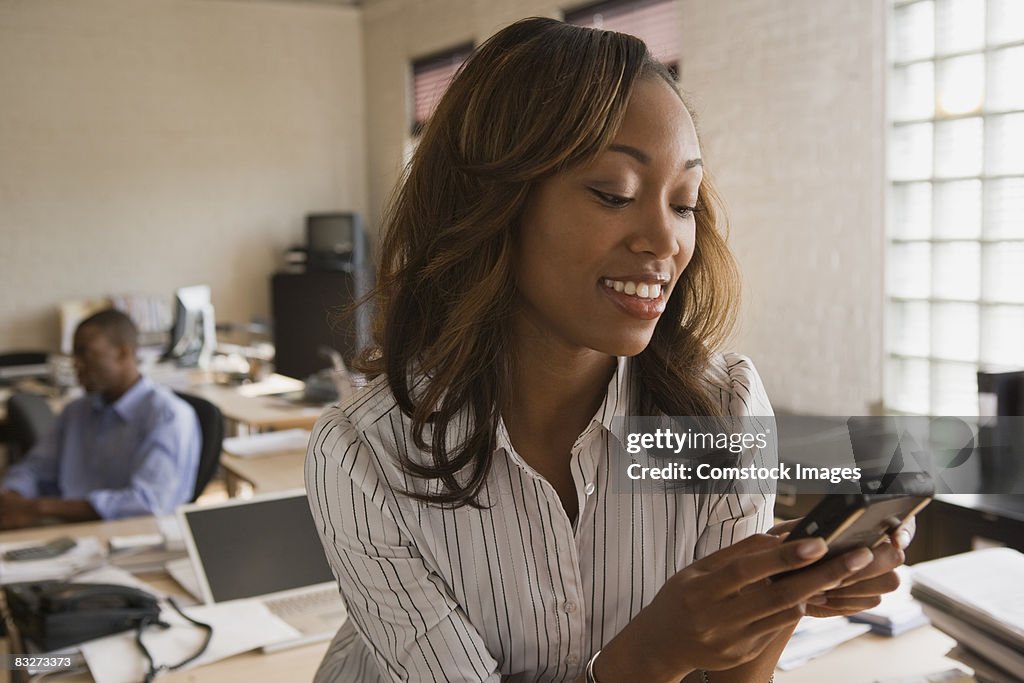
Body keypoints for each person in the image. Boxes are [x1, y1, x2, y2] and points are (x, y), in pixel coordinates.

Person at [305, 18, 914, 683]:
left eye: (683, 202)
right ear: (491, 204)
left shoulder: (724, 409)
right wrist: (652, 655)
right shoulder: (360, 454)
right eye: (615, 193)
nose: (664, 240)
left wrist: (783, 593)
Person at [0, 308, 201, 529]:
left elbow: (148, 503)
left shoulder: (168, 416)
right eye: (74, 355)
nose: (76, 364)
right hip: (66, 530)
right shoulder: (76, 411)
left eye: (84, 353)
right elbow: (34, 468)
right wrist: (12, 496)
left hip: (132, 536)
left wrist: (40, 508)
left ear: (123, 353)